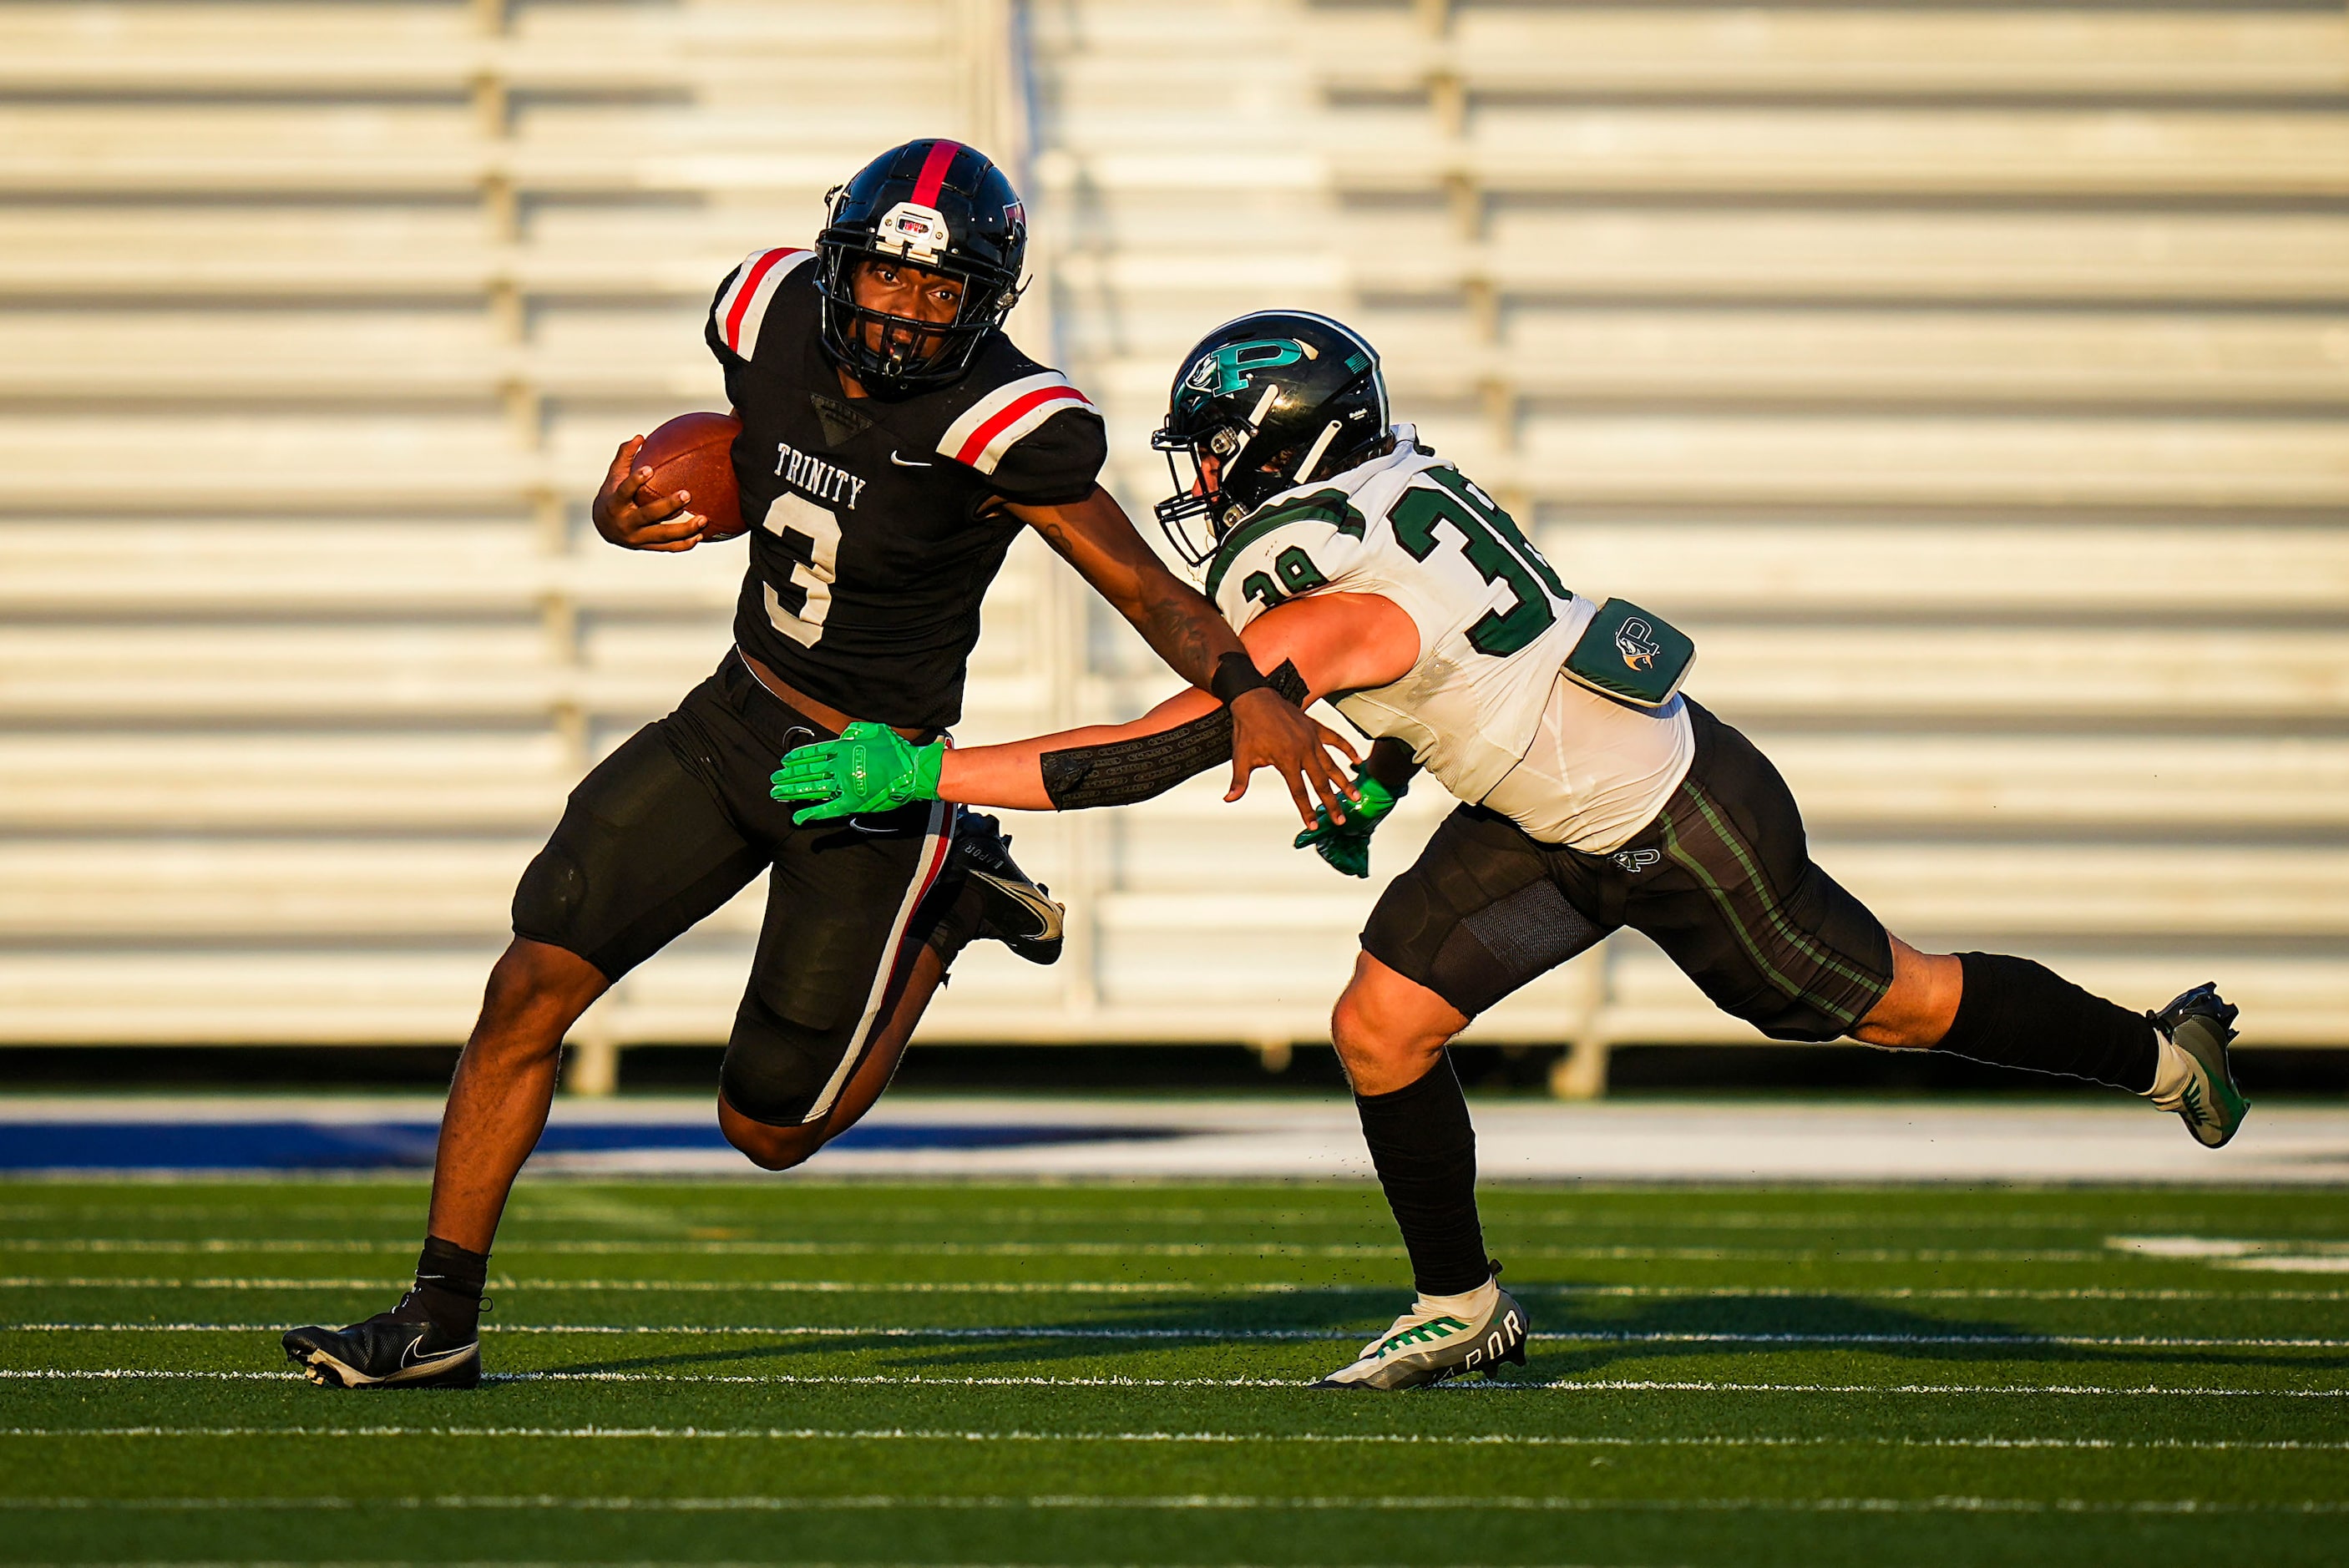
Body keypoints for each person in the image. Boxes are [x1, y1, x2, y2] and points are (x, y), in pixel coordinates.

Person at [768, 308, 2252, 1392]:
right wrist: (1391, 768)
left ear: (1282, 445)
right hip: (1544, 813)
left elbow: (1165, 745)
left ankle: (2162, 1053)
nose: (1202, 473)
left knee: (1899, 1002)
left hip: (1678, 824)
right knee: (1381, 1022)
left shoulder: (1312, 583)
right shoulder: (1388, 494)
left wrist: (925, 764)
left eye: (1219, 447)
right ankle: (1462, 1301)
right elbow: (1468, 661)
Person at [281, 145, 1355, 1391]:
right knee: (528, 979)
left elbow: (1144, 588)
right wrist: (616, 511)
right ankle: (437, 1317)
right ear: (839, 264)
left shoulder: (1008, 424)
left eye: (937, 292)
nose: (902, 311)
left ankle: (951, 897)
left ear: (986, 302)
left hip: (876, 773)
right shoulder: (767, 309)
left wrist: (1250, 694)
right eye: (886, 279)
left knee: (767, 1127)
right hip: (733, 716)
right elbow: (762, 466)